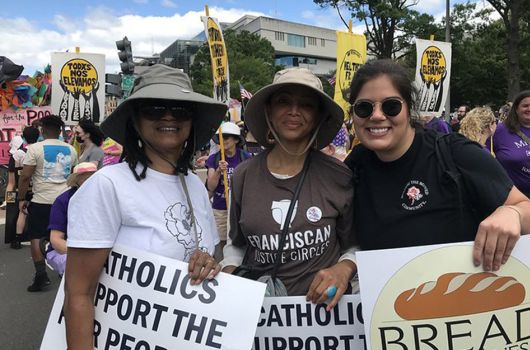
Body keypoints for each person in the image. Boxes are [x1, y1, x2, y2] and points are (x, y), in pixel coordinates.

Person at [63, 64, 226, 349]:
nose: (168, 116)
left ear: (192, 121)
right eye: (153, 108)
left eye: (181, 109)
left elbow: (204, 258)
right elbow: (78, 294)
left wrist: (208, 265)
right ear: (135, 119)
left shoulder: (195, 185)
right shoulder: (108, 186)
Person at [344, 59, 530, 273]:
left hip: (460, 297)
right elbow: (350, 239)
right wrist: (346, 265)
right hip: (391, 301)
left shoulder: (456, 153)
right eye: (364, 108)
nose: (377, 116)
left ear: (409, 109)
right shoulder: (355, 165)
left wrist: (512, 213)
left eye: (391, 106)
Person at [221, 67, 358, 311]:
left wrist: (343, 269)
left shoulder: (339, 175)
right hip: (261, 319)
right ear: (269, 111)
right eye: (283, 102)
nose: (294, 111)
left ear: (318, 116)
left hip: (324, 318)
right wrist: (230, 274)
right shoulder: (244, 175)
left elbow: (353, 245)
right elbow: (235, 244)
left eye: (306, 105)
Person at [18, 115, 78, 291]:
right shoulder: (71, 149)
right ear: (60, 130)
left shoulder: (34, 148)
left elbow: (25, 176)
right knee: (63, 236)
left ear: (42, 129)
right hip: (66, 201)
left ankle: (41, 276)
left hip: (41, 201)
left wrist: (21, 198)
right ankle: (65, 270)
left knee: (36, 236)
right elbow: (75, 176)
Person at [205, 121, 251, 260]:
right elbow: (211, 186)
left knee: (242, 241)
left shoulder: (246, 158)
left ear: (236, 140)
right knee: (223, 241)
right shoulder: (214, 159)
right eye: (220, 137)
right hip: (221, 208)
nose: (222, 141)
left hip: (241, 209)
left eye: (226, 137)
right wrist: (219, 170)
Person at [45, 162, 97, 276]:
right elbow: (56, 240)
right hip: (68, 251)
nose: (90, 182)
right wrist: (85, 255)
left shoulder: (104, 198)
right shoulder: (62, 201)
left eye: (93, 177)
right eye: (85, 178)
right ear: (76, 180)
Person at [6, 127, 40, 249]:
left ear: (23, 138)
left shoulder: (17, 154)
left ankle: (17, 238)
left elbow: (11, 181)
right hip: (38, 187)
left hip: (22, 187)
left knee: (22, 212)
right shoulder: (40, 151)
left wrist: (9, 200)